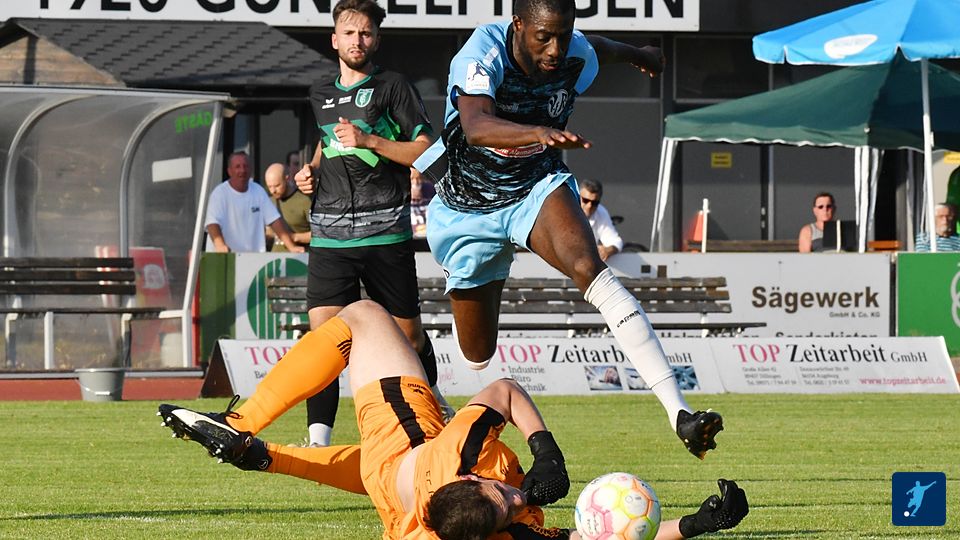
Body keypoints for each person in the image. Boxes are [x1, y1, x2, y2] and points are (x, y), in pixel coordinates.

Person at [412, 0, 722, 458]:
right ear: (518, 25)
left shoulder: (575, 51)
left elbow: (601, 46)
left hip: (535, 187)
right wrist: (537, 132)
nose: (555, 49)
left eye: (563, 34)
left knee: (589, 267)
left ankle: (680, 413)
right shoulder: (483, 50)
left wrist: (640, 55)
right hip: (467, 209)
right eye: (543, 37)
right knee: (476, 354)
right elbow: (475, 126)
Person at [159, 300, 749, 540]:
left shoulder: (457, 456)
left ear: (469, 479)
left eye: (504, 497)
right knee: (377, 476)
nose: (516, 499)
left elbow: (503, 389)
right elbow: (590, 537)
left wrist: (546, 451)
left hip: (402, 433)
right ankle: (257, 454)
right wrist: (697, 525)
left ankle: (241, 422)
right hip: (394, 498)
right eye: (510, 505)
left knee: (362, 317)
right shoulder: (484, 529)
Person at [293, 0, 450, 447]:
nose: (357, 41)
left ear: (376, 40)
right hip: (329, 236)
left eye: (365, 33)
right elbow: (325, 142)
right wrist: (311, 172)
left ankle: (436, 403)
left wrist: (370, 140)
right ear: (334, 40)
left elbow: (426, 150)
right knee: (323, 340)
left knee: (408, 337)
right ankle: (319, 442)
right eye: (349, 33)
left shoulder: (393, 87)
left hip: (385, 234)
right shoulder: (319, 93)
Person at [205, 151, 303, 253]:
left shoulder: (258, 191)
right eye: (237, 167)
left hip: (252, 258)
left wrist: (291, 247)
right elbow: (212, 223)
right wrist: (220, 245)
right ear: (229, 171)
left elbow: (274, 220)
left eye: (245, 166)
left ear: (250, 169)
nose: (242, 170)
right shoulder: (219, 194)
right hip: (224, 257)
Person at [263, 163, 312, 252]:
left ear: (287, 179)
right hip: (274, 258)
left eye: (277, 185)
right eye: (269, 186)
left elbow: (321, 235)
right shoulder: (269, 201)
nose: (273, 191)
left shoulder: (305, 201)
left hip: (300, 256)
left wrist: (295, 237)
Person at [579, 179, 624, 261]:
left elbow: (615, 242)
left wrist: (608, 250)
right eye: (585, 200)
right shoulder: (565, 210)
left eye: (594, 203)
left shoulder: (601, 212)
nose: (589, 206)